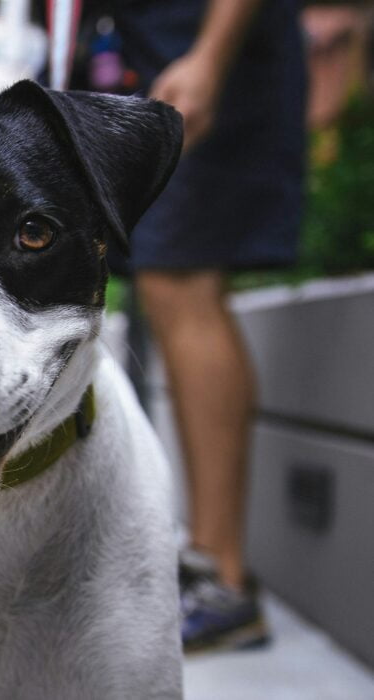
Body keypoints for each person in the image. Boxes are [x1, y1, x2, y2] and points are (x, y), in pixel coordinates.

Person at [107, 0, 307, 653]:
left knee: (181, 278)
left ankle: (222, 582)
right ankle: (205, 568)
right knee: (167, 281)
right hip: (167, 55)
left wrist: (211, 58)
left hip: (205, 56)